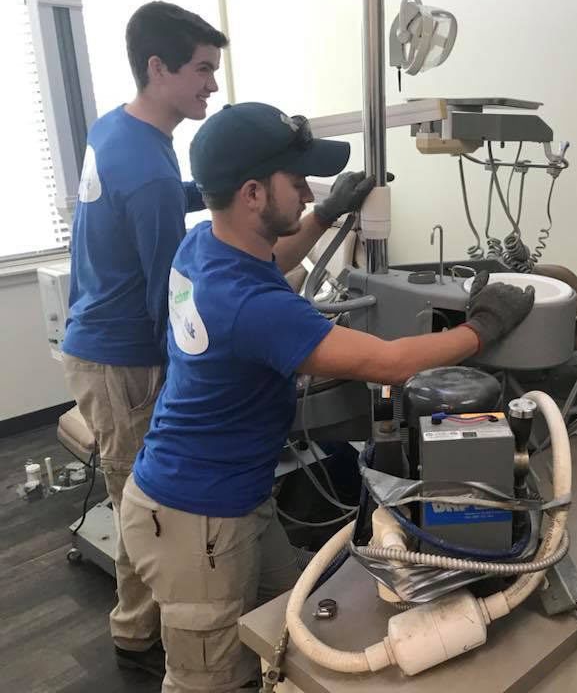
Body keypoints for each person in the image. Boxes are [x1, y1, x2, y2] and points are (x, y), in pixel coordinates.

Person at [119, 101, 536, 692]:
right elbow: (388, 364)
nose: (310, 194)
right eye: (298, 182)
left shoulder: (203, 247)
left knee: (289, 625)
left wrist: (324, 218)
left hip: (220, 495)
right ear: (254, 193)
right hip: (197, 521)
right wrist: (480, 331)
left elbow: (272, 261)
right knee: (205, 680)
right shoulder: (250, 307)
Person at [60, 1, 228, 677]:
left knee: (131, 486)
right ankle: (136, 632)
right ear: (157, 68)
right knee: (143, 499)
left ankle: (139, 617)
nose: (211, 86)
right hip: (120, 357)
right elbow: (173, 292)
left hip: (89, 338)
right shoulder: (152, 172)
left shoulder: (117, 130)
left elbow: (153, 202)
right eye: (202, 70)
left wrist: (215, 189)